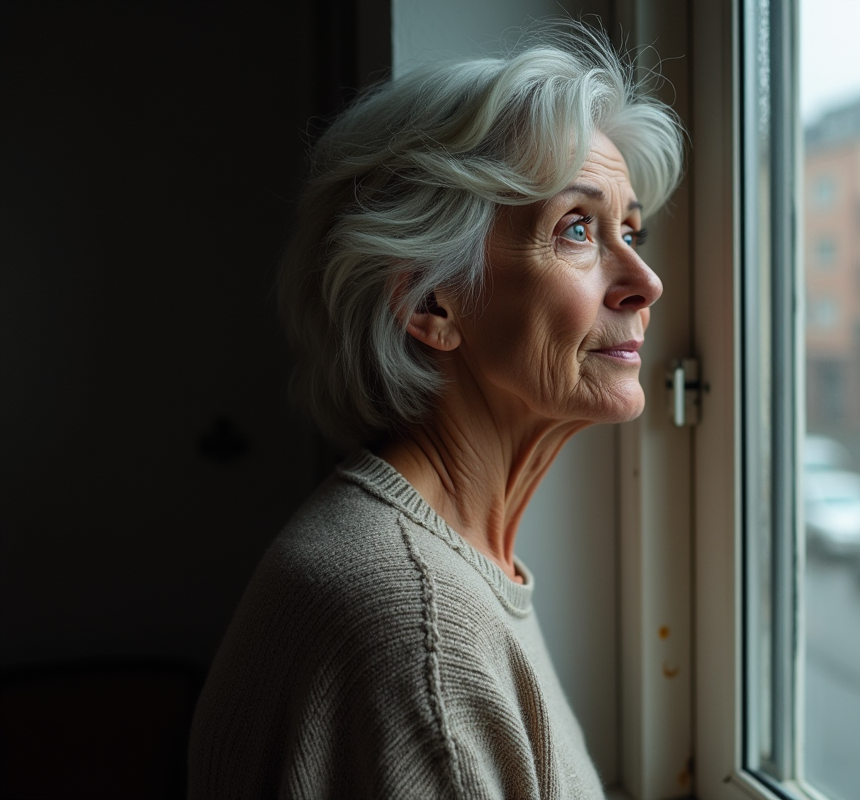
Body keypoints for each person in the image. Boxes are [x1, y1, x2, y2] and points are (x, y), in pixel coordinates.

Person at [187, 20, 683, 800]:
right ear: (430, 302)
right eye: (578, 229)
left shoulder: (452, 562)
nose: (644, 280)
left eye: (631, 229)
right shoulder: (421, 634)